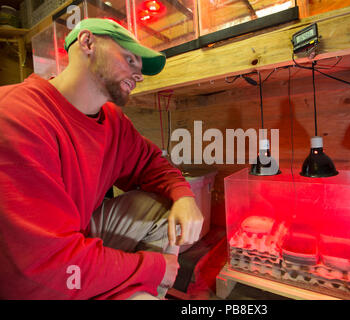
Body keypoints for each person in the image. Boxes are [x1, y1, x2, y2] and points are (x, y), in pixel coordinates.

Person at [0, 18, 204, 299]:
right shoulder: (17, 115)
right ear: (88, 43)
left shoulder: (112, 122)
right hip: (27, 279)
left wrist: (184, 196)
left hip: (73, 240)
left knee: (163, 207)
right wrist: (153, 268)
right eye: (130, 59)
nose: (139, 74)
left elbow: (151, 164)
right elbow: (41, 267)